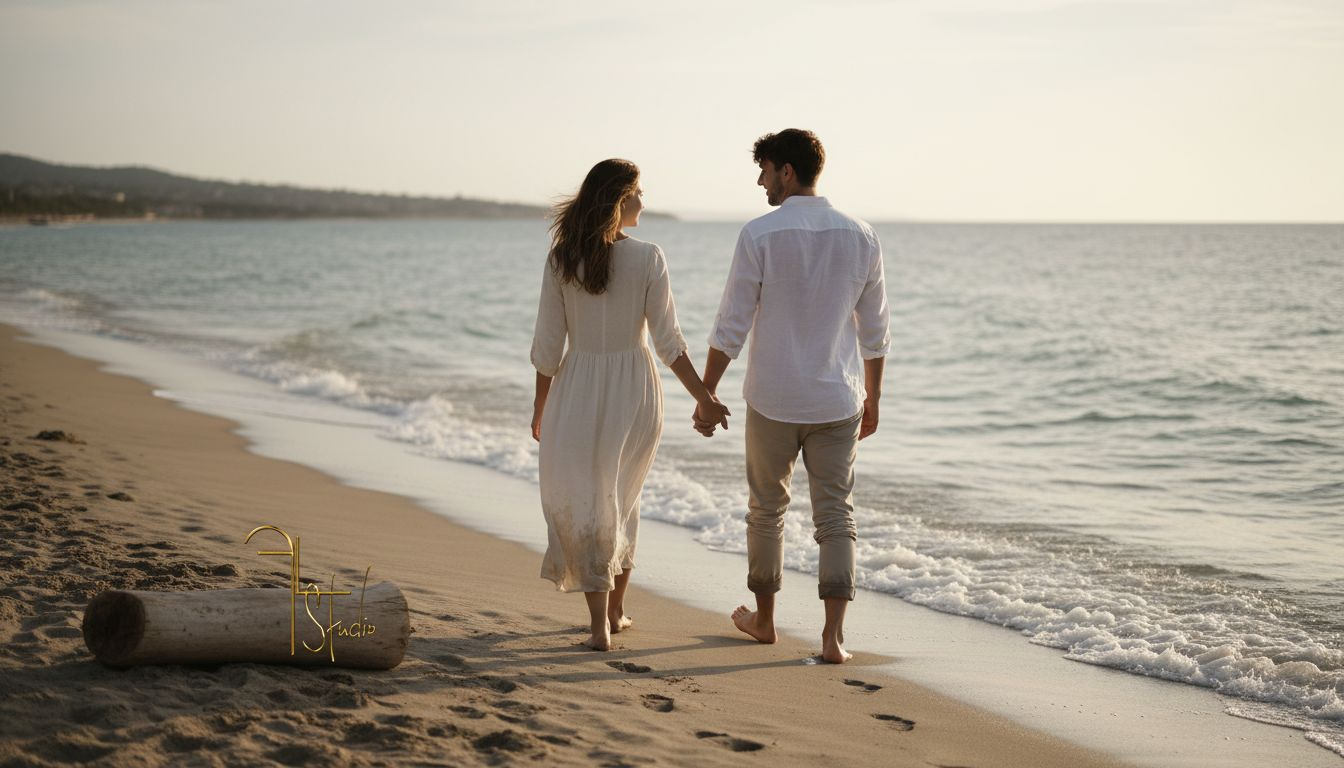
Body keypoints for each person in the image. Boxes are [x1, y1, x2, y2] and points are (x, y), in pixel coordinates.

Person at [694, 130, 890, 664]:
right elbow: (874, 331)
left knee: (766, 512)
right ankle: (833, 638)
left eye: (764, 170)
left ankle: (765, 622)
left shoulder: (760, 234)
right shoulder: (862, 236)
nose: (760, 181)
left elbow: (731, 325)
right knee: (836, 515)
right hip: (837, 400)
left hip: (774, 398)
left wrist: (707, 392)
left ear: (786, 171)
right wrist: (874, 396)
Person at [531, 158, 730, 652]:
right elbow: (670, 343)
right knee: (624, 497)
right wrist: (703, 397)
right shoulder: (648, 257)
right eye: (638, 192)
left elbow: (548, 347)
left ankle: (602, 619)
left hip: (577, 385)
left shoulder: (561, 259)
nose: (645, 201)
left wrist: (540, 408)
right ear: (620, 200)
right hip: (635, 389)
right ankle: (614, 612)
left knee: (590, 496)